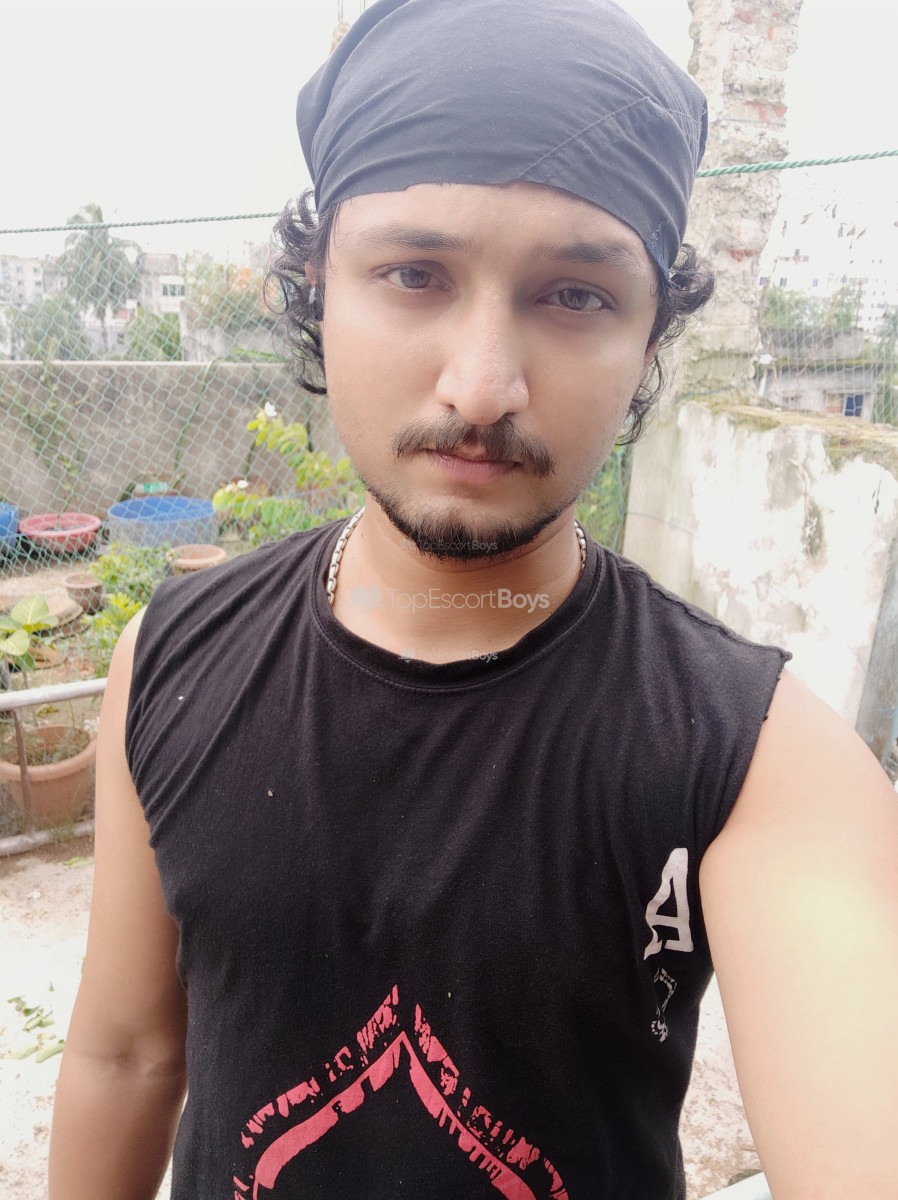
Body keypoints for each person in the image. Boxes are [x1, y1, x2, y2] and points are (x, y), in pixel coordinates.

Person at [49, 0, 898, 1197]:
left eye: (576, 295)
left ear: (650, 337)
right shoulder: (172, 658)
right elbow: (128, 1054)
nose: (483, 386)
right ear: (317, 286)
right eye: (413, 274)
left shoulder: (755, 759)